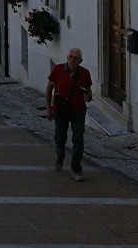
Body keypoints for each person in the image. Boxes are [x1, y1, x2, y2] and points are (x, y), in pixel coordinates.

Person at [46, 47, 93, 181]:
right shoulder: (58, 70)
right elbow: (49, 88)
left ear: (80, 60)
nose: (72, 60)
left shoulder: (85, 73)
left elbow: (88, 91)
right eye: (70, 57)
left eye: (75, 58)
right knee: (60, 138)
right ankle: (60, 157)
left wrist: (87, 96)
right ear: (67, 57)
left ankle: (76, 169)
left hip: (78, 110)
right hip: (60, 110)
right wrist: (48, 108)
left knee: (78, 140)